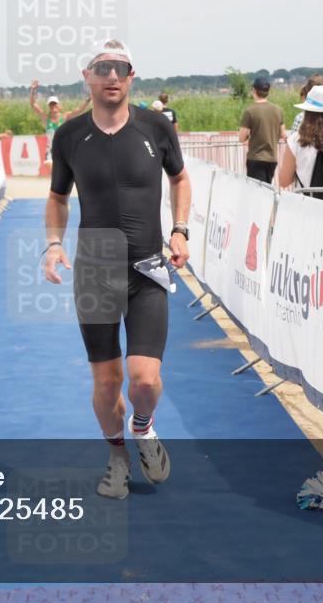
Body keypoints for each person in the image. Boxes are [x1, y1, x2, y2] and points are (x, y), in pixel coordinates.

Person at [44, 39, 191, 500]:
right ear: (87, 76)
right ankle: (117, 456)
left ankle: (142, 427)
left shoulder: (156, 127)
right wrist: (53, 244)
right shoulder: (70, 136)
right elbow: (57, 197)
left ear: (131, 77)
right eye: (102, 68)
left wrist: (180, 229)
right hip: (95, 272)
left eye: (120, 68)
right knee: (107, 383)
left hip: (147, 270)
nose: (112, 76)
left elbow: (180, 179)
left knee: (145, 380)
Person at [238, 77, 286, 184]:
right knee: (267, 189)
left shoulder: (250, 111)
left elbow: (241, 138)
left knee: (256, 191)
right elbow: (283, 134)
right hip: (272, 159)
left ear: (254, 90)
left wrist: (250, 136)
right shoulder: (278, 110)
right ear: (268, 91)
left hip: (256, 158)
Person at [29, 81, 91, 162]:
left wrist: (88, 99)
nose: (53, 106)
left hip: (64, 152)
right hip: (51, 153)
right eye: (51, 104)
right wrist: (33, 90)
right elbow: (33, 105)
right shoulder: (46, 118)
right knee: (50, 166)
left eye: (55, 104)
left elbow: (79, 110)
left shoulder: (65, 117)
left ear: (58, 105)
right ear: (48, 106)